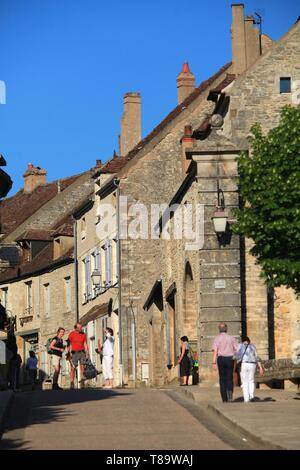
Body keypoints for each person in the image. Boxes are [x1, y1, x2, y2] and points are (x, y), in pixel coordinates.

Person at [212, 323, 238, 402]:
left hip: (221, 359)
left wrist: (213, 362)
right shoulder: (232, 338)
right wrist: (236, 359)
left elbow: (215, 351)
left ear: (219, 329)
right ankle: (230, 392)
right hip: (230, 359)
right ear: (226, 329)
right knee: (229, 377)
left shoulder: (217, 339)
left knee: (222, 379)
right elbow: (237, 349)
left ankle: (224, 398)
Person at [235, 336, 264, 403]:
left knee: (245, 382)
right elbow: (257, 357)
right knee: (251, 380)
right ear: (249, 340)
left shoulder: (240, 345)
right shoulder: (253, 346)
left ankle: (246, 399)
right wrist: (260, 367)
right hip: (252, 364)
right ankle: (252, 396)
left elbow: (236, 355)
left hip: (244, 364)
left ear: (243, 340)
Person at [66, 323, 89, 388]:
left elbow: (85, 344)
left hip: (82, 352)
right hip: (74, 353)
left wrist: (87, 353)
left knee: (82, 367)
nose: (81, 329)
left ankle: (82, 383)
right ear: (75, 328)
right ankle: (72, 383)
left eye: (81, 327)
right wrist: (68, 353)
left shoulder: (83, 334)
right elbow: (68, 343)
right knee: (73, 368)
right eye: (79, 328)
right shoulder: (72, 334)